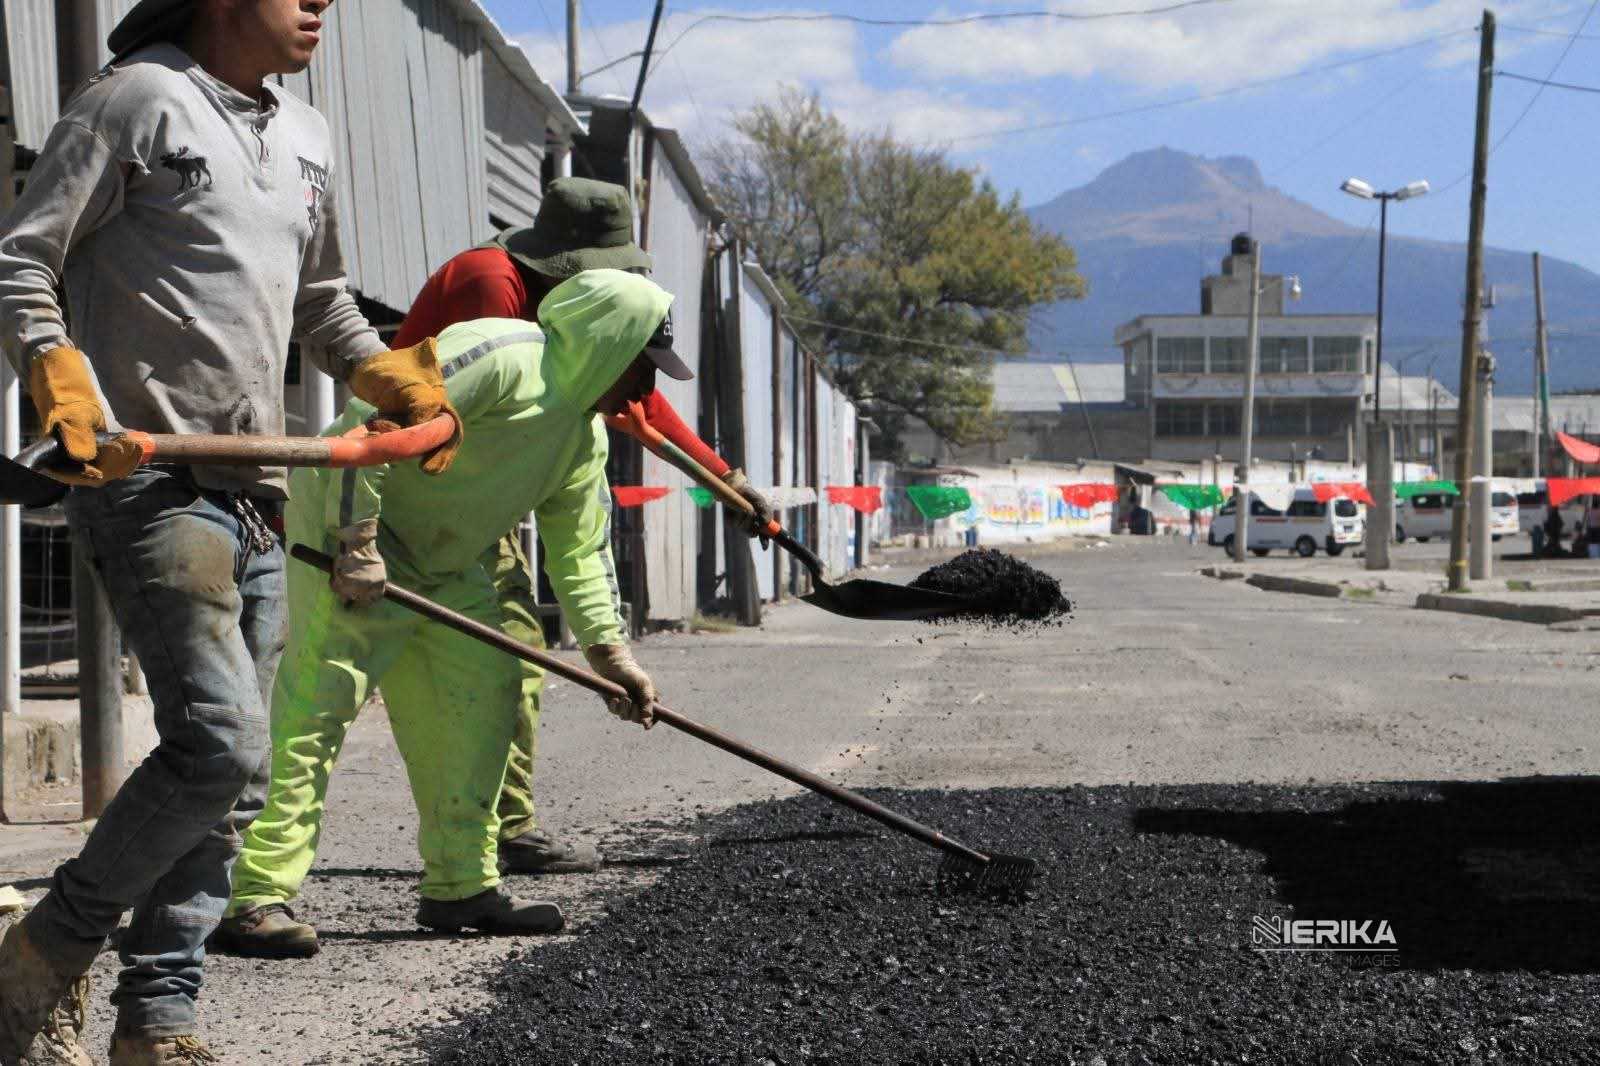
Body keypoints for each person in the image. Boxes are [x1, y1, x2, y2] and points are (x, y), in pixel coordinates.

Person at [0, 3, 462, 1063]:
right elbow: (23, 259)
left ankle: (158, 1025)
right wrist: (56, 373)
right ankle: (42, 953)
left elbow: (323, 301)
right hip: (144, 473)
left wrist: (385, 374)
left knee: (230, 782)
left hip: (258, 484)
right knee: (220, 742)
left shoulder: (306, 135)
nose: (319, 2)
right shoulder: (136, 101)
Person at [213, 179, 775, 958]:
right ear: (607, 344)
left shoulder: (578, 440)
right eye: (642, 365)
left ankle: (462, 885)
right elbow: (371, 429)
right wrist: (357, 544)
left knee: (483, 701)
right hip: (351, 535)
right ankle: (255, 897)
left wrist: (612, 657)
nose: (645, 386)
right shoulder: (502, 357)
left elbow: (581, 553)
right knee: (317, 713)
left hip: (446, 561)